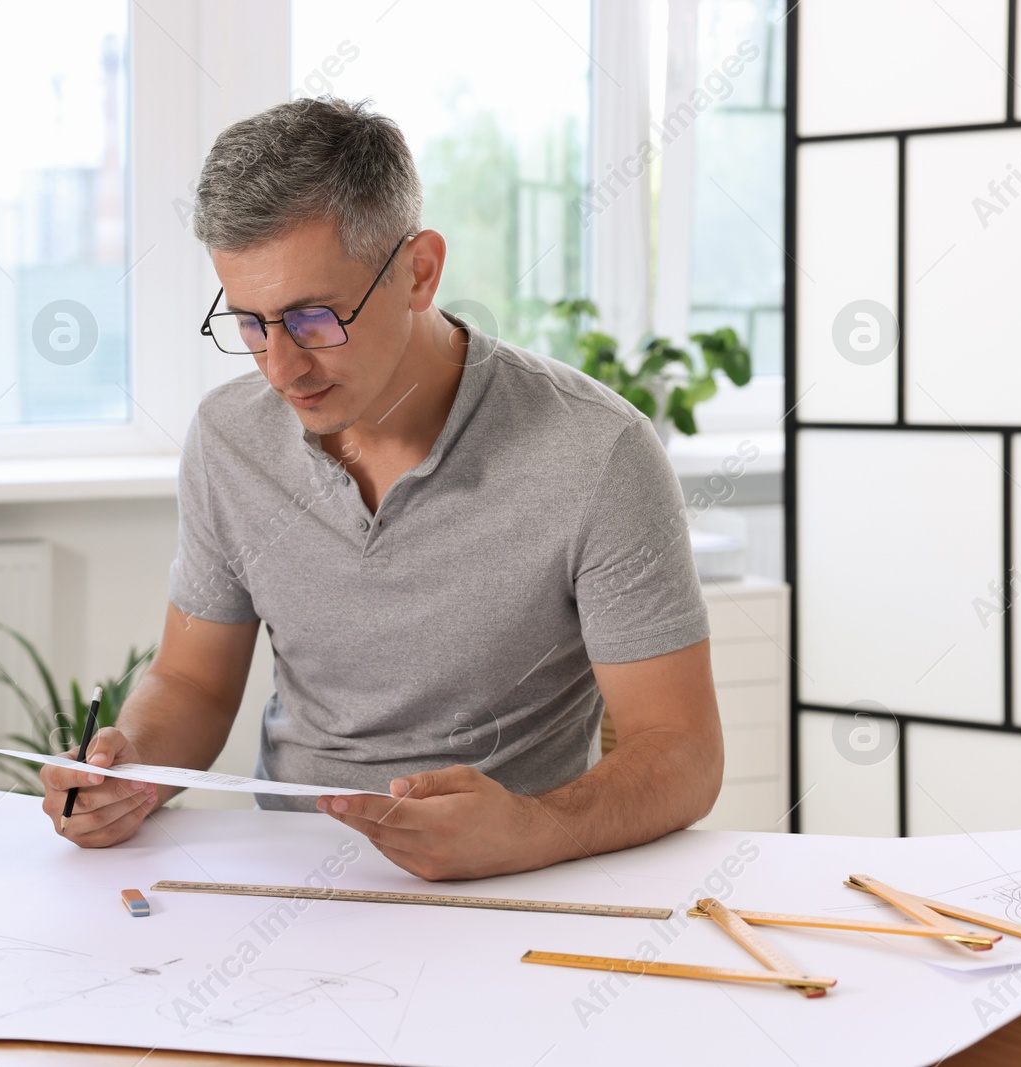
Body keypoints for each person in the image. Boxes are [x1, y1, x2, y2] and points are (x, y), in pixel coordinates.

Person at [39, 97, 722, 881]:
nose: (281, 366)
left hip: (520, 877)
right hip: (290, 880)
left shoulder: (596, 451)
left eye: (314, 317)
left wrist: (533, 829)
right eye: (252, 322)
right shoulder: (229, 437)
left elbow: (683, 750)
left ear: (418, 272)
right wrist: (134, 772)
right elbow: (192, 679)